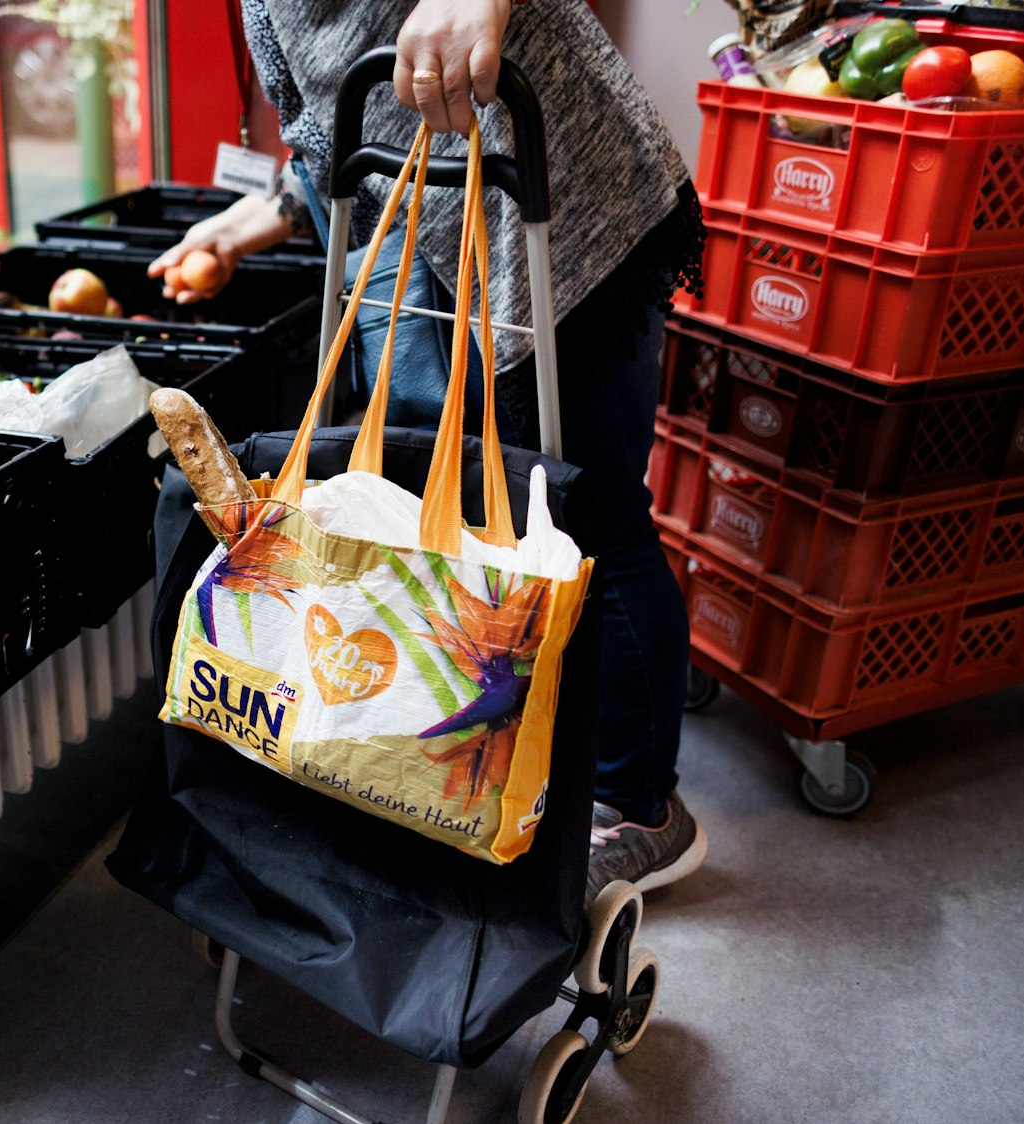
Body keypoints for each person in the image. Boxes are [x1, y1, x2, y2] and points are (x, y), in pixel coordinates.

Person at [145, 0, 708, 907]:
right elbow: (333, 70)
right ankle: (486, 764)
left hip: (556, 208)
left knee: (584, 522)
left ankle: (639, 807)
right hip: (423, 222)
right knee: (457, 523)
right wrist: (280, 209)